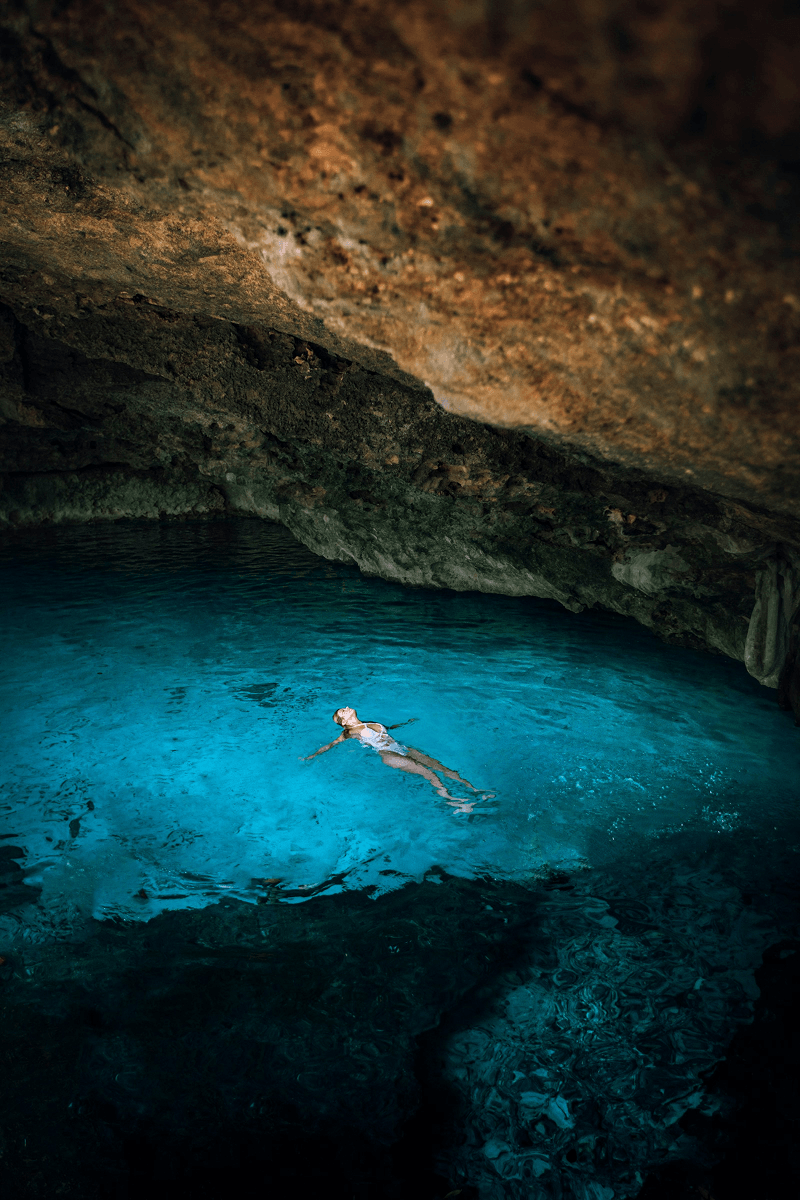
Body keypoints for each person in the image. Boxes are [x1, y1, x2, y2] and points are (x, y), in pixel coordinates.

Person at [301, 706, 490, 813]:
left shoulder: (369, 722)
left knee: (444, 768)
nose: (346, 708)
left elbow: (389, 728)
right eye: (343, 711)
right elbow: (330, 745)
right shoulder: (348, 732)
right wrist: (312, 756)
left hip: (401, 747)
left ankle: (476, 790)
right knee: (428, 773)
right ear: (343, 722)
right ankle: (454, 802)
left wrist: (407, 723)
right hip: (387, 754)